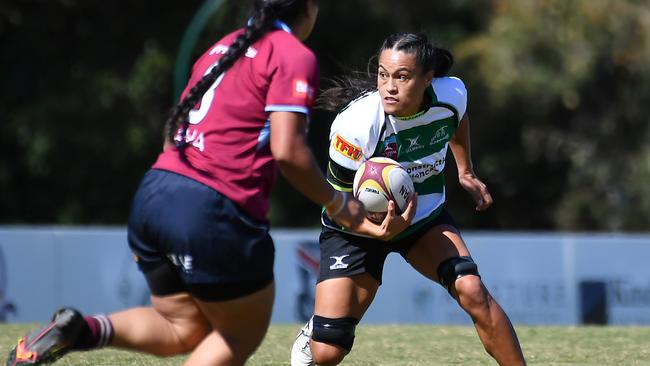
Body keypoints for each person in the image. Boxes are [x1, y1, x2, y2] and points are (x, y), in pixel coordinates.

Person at [5, 1, 367, 365]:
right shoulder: (291, 53)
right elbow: (288, 151)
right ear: (308, 7)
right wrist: (338, 204)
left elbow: (172, 131)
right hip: (213, 208)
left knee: (181, 327)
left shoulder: (222, 46)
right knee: (237, 334)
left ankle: (80, 330)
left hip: (156, 194)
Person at [290, 32, 527, 366]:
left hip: (423, 218)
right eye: (383, 75)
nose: (389, 86)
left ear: (427, 78)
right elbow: (335, 199)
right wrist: (375, 231)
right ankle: (314, 332)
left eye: (402, 77)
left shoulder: (451, 94)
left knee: (473, 291)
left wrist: (465, 170)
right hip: (354, 230)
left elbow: (456, 122)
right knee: (327, 352)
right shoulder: (354, 126)